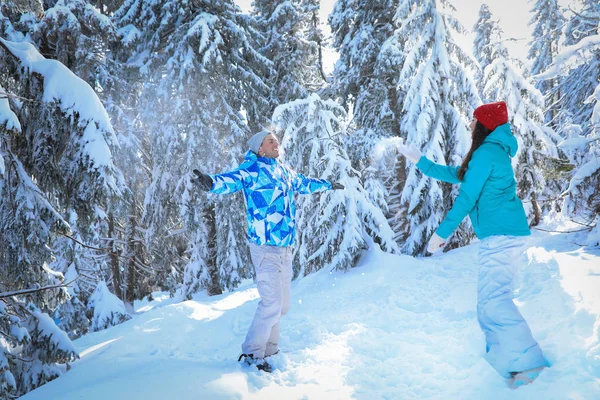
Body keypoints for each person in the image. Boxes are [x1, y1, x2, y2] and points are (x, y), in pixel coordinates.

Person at [397, 101, 548, 388]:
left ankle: (530, 365)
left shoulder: (488, 153)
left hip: (502, 236)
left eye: (474, 121)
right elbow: (459, 174)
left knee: (495, 302)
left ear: (484, 126)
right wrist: (420, 160)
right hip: (505, 233)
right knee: (489, 305)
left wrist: (441, 235)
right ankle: (508, 363)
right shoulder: (490, 153)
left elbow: (466, 198)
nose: (470, 125)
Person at [192, 130, 344, 372]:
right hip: (265, 247)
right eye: (270, 140)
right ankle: (252, 353)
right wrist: (212, 183)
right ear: (259, 148)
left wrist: (327, 184)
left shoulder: (282, 171)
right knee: (271, 302)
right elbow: (232, 179)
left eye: (277, 140)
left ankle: (270, 349)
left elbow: (303, 183)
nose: (276, 143)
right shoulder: (252, 169)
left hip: (285, 247)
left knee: (282, 306)